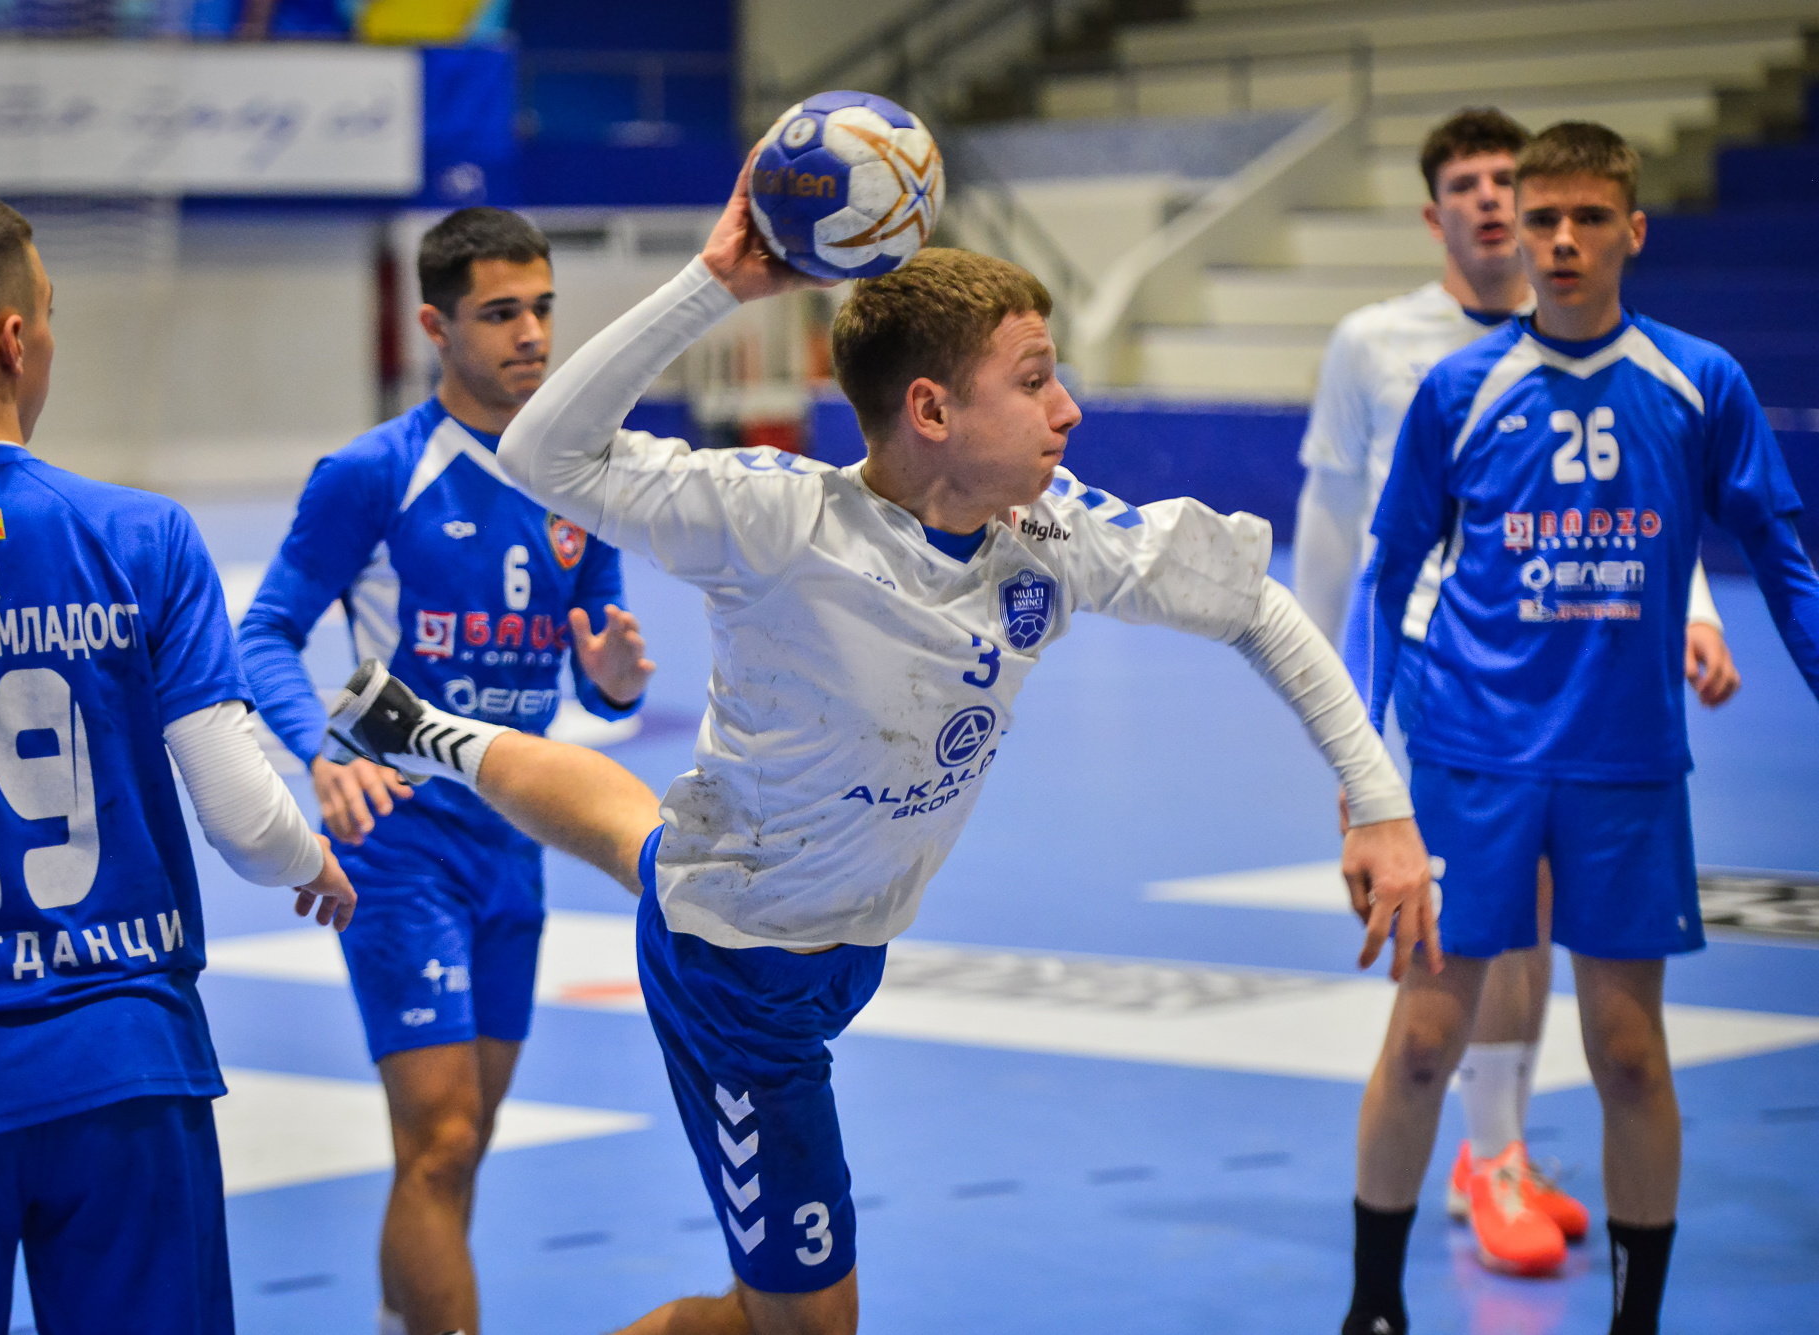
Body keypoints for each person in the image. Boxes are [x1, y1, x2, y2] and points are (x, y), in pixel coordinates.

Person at [322, 156, 1441, 1335]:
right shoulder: (778, 520)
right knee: (801, 1328)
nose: (1068, 411)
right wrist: (715, 283)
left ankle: (421, 729)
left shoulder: (1050, 532)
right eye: (1034, 382)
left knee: (640, 838)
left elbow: (1252, 605)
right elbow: (542, 455)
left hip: (821, 926)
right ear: (931, 412)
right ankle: (433, 734)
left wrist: (1377, 802)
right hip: (738, 974)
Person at [0, 192, 357, 1331]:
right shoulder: (139, 536)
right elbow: (240, 812)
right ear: (13, 340)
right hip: (124, 1063)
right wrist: (307, 857)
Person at [1340, 122, 1819, 1335]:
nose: (1559, 239)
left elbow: (1780, 558)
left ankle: (1632, 1320)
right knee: (1421, 1042)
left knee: (1628, 1054)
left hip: (1624, 764)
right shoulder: (1458, 389)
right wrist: (1360, 767)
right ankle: (1372, 1310)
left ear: (1630, 230)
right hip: (1472, 760)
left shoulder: (1696, 382)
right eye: (1541, 217)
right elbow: (1382, 576)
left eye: (1586, 218)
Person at [236, 206, 652, 1335]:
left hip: (516, 841)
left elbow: (604, 670)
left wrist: (615, 681)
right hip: (401, 840)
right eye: (500, 312)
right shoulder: (373, 472)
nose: (532, 334)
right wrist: (323, 751)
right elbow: (264, 632)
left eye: (542, 308)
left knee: (462, 1145)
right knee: (441, 1135)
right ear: (435, 325)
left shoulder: (579, 475)